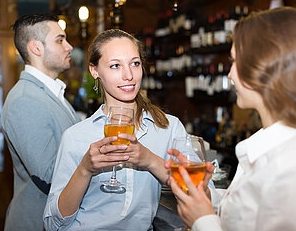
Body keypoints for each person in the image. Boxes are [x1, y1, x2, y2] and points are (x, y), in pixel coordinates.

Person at [43, 28, 214, 230]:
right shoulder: (76, 136)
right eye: (115, 66)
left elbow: (205, 197)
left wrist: (149, 160)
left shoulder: (168, 127)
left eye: (135, 64)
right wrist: (85, 169)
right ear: (94, 70)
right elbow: (54, 223)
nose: (129, 75)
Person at [165, 6, 296, 231]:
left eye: (235, 61)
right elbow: (248, 213)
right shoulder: (267, 145)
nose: (229, 74)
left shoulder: (288, 169)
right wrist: (206, 197)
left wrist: (202, 221)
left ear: (264, 66)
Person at [1, 13, 80, 231]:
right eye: (60, 40)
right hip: (38, 222)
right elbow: (49, 175)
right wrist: (95, 160)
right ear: (37, 48)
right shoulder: (25, 99)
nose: (69, 47)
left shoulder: (52, 93)